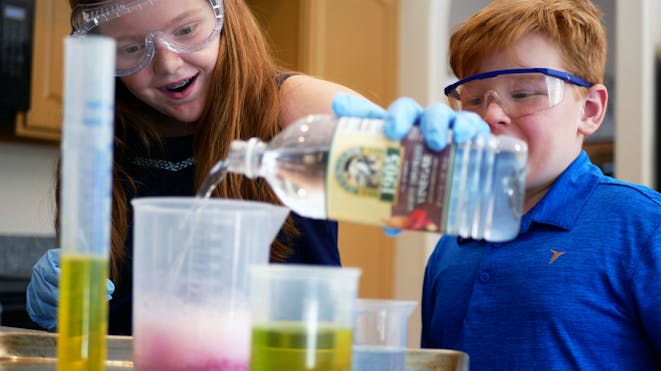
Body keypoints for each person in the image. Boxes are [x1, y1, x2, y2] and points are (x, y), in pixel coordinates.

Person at [334, 0, 661, 369]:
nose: (491, 115)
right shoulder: (450, 247)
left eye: (523, 93)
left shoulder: (644, 227)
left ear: (590, 110)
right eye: (474, 99)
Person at [26, 0, 363, 335]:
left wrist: (411, 140)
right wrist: (62, 301)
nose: (168, 65)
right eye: (130, 48)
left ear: (223, 14)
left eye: (186, 30)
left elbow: (407, 181)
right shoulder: (102, 141)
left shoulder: (297, 108)